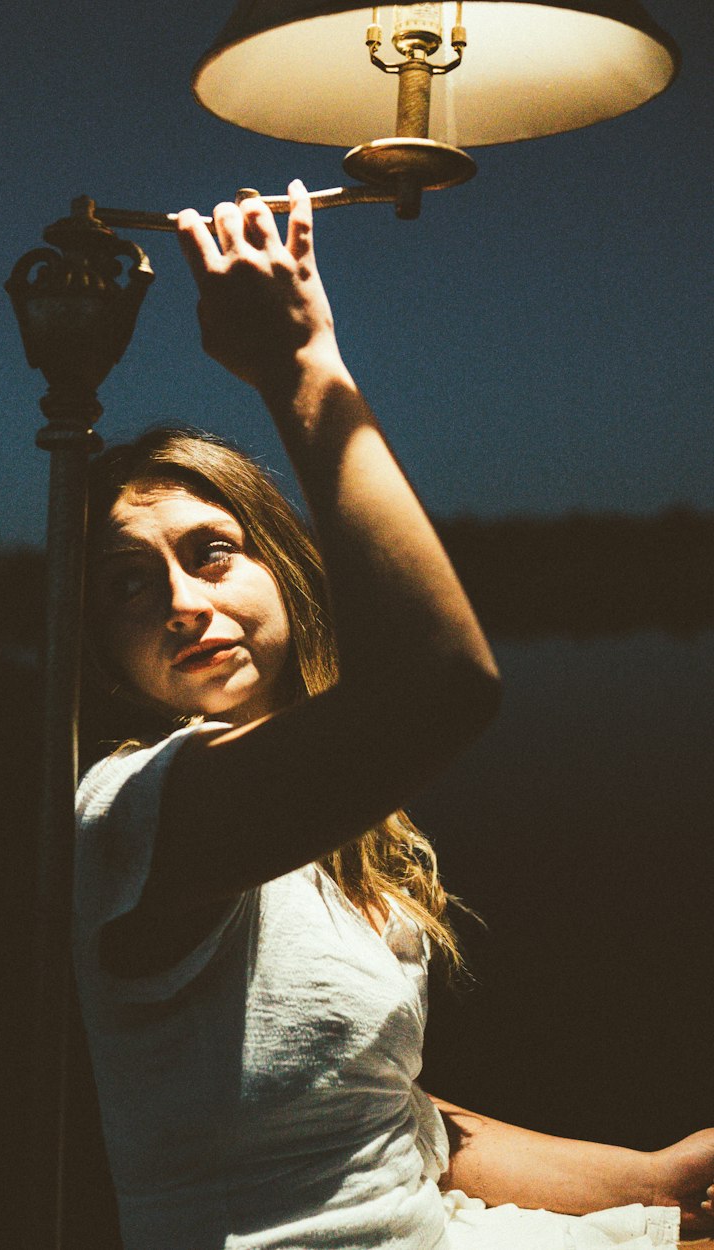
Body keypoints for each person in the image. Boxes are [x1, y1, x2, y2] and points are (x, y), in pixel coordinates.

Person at [71, 181, 714, 1250]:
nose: (184, 601)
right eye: (129, 583)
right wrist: (301, 367)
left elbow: (394, 1123)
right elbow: (441, 687)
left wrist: (653, 1177)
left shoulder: (334, 834)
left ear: (279, 569)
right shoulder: (135, 812)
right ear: (102, 646)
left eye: (211, 552)